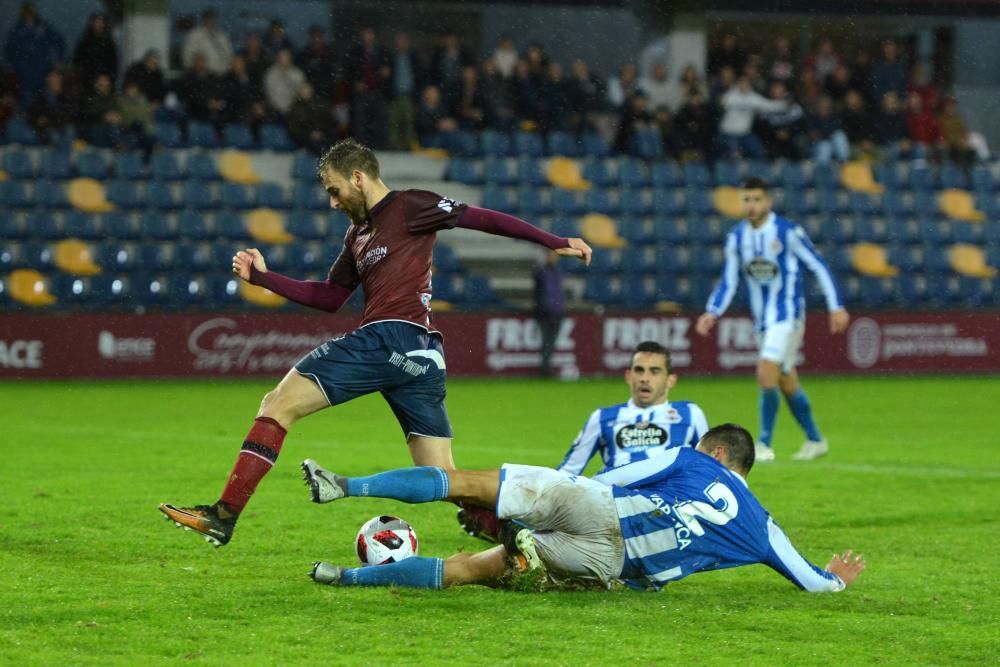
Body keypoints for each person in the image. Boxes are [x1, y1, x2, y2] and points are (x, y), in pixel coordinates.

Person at [159, 138, 593, 546]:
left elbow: (486, 219)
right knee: (441, 476)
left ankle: (224, 514)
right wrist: (264, 278)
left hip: (390, 338)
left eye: (334, 190)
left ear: (358, 178)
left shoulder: (409, 206)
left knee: (277, 404)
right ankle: (516, 537)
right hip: (421, 358)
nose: (332, 202)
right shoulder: (357, 236)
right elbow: (330, 297)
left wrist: (554, 242)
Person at [302, 423, 867, 592]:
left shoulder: (693, 459)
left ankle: (344, 485)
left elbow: (622, 475)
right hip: (617, 563)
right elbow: (811, 582)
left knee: (463, 482)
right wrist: (836, 580)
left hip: (603, 508)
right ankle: (345, 578)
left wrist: (552, 498)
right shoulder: (761, 525)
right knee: (478, 570)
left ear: (715, 451)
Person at [695, 178, 848, 463]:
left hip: (787, 315)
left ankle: (763, 443)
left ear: (768, 202)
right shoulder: (737, 238)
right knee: (786, 380)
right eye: (747, 199)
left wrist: (836, 306)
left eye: (756, 199)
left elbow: (818, 265)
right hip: (762, 320)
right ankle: (816, 440)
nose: (751, 205)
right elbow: (728, 281)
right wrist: (711, 311)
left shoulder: (787, 232)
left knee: (766, 371)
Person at [558, 341, 708, 475]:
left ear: (670, 380)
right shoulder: (602, 417)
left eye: (654, 371)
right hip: (615, 500)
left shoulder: (690, 414)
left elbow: (710, 468)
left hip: (668, 500)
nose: (644, 378)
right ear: (628, 376)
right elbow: (568, 471)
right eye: (639, 370)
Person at [532, 252, 565, 378]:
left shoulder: (556, 272)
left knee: (550, 343)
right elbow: (540, 294)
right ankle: (545, 369)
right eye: (551, 255)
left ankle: (546, 367)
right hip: (545, 313)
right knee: (547, 342)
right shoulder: (542, 272)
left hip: (556, 312)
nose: (553, 258)